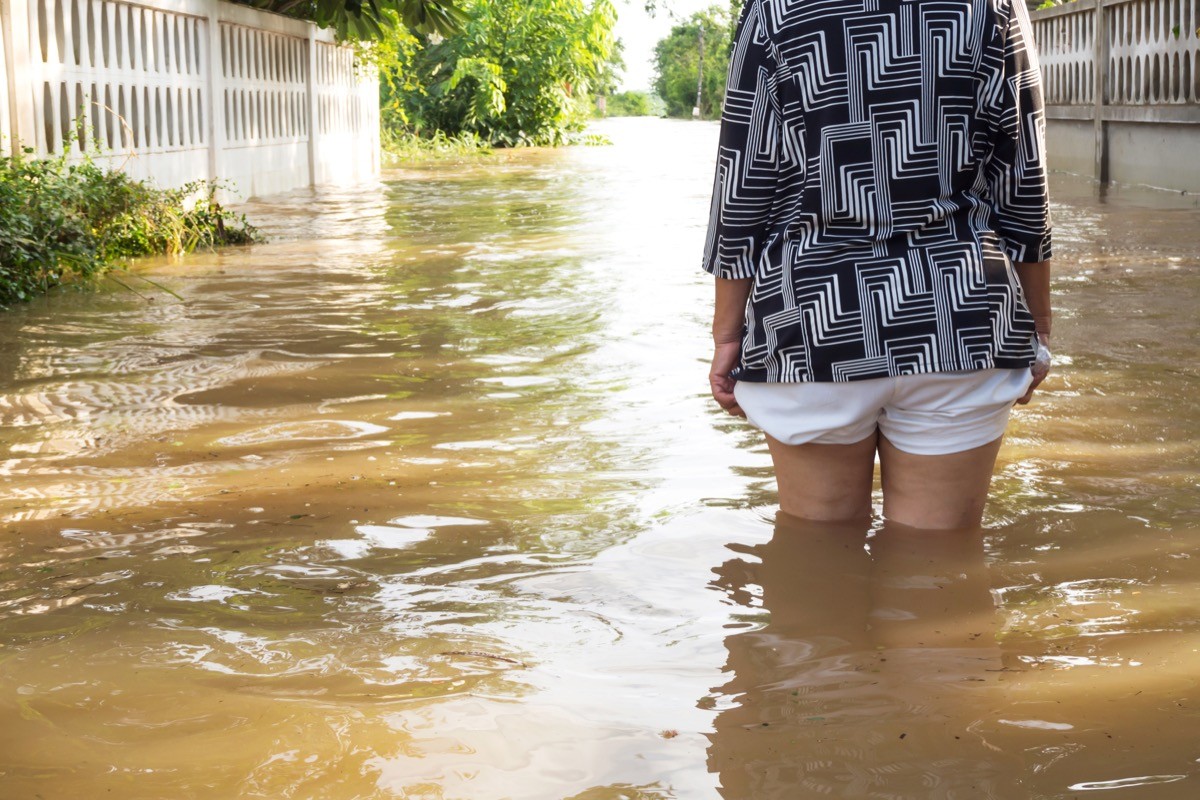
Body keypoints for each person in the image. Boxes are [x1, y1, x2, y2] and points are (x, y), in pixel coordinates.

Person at [702, 0, 1053, 530]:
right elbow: (1023, 177)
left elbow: (744, 182)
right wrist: (1038, 324)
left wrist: (727, 332)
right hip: (956, 312)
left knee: (815, 564)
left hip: (812, 319)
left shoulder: (777, 8)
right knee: (936, 569)